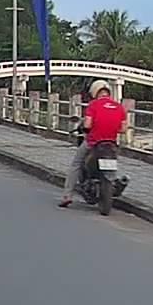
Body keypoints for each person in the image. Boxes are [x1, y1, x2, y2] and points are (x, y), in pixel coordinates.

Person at [61, 79, 127, 208]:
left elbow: (87, 125)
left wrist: (89, 129)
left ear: (94, 92)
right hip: (111, 144)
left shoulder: (93, 105)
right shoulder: (119, 107)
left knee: (76, 164)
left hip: (93, 142)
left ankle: (67, 196)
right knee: (113, 167)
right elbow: (123, 129)